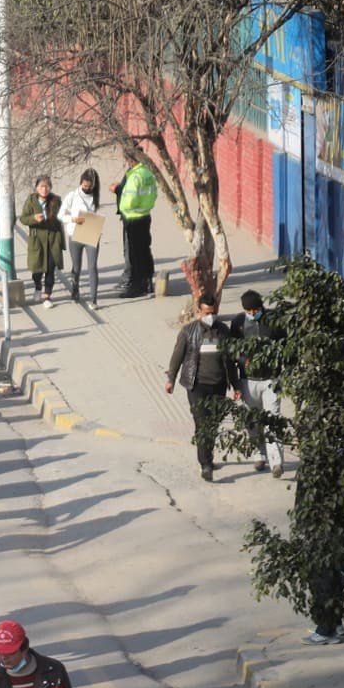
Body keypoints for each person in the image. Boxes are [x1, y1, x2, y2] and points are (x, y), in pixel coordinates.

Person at [165, 292, 240, 481]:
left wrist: (236, 385)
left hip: (219, 385)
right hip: (196, 385)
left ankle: (208, 457)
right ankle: (205, 464)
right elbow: (177, 357)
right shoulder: (188, 332)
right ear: (199, 312)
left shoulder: (223, 331)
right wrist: (171, 379)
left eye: (213, 312)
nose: (210, 316)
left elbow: (230, 361)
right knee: (202, 423)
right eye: (206, 313)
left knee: (213, 423)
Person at [229, 289, 285, 478]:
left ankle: (276, 462)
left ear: (261, 307)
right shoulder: (238, 322)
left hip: (271, 380)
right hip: (248, 380)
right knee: (252, 422)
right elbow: (232, 349)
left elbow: (285, 346)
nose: (252, 314)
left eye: (255, 310)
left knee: (273, 421)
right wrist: (242, 360)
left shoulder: (274, 321)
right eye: (248, 311)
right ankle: (259, 454)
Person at [114, 148, 158, 298]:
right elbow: (154, 194)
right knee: (145, 250)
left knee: (134, 254)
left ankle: (137, 286)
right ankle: (148, 282)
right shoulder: (147, 173)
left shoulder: (135, 176)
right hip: (145, 215)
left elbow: (130, 200)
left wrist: (122, 207)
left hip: (133, 218)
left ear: (132, 161)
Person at [57, 169, 101, 307]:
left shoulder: (95, 195)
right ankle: (75, 291)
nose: (86, 188)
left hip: (91, 232)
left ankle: (93, 299)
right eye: (84, 186)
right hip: (75, 234)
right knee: (76, 267)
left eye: (89, 186)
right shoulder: (73, 195)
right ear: (81, 183)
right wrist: (73, 219)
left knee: (92, 266)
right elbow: (60, 215)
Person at [21, 175, 63, 309]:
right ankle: (38, 287)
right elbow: (23, 219)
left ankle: (47, 296)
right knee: (37, 269)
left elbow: (62, 216)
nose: (44, 189)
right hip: (37, 240)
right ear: (36, 188)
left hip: (53, 240)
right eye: (41, 187)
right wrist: (34, 218)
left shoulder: (56, 200)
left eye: (47, 186)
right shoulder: (31, 201)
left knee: (50, 269)